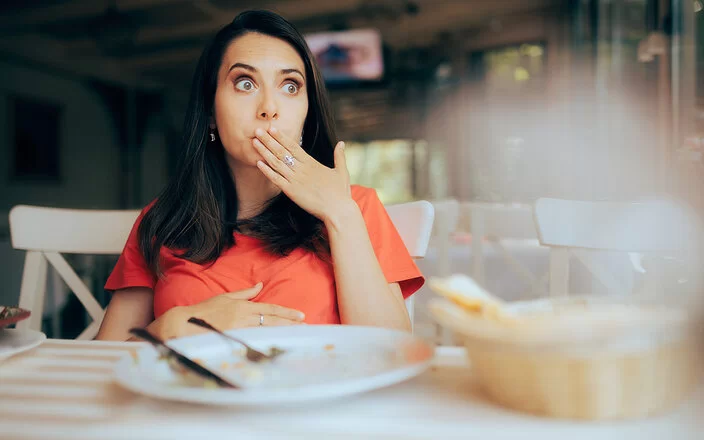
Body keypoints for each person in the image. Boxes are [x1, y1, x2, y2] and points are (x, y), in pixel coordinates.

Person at [95, 10, 424, 341]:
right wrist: (169, 327)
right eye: (245, 83)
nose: (269, 107)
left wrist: (340, 215)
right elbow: (97, 364)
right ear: (210, 111)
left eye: (290, 85)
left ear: (308, 113)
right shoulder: (164, 220)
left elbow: (393, 349)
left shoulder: (356, 206)